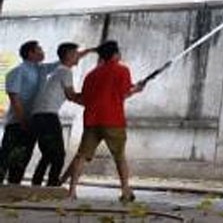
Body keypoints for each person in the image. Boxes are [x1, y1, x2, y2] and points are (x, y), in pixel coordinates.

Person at [63, 40, 144, 201]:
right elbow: (124, 93)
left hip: (92, 119)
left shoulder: (91, 75)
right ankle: (125, 190)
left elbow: (86, 97)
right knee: (119, 156)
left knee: (82, 156)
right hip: (113, 120)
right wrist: (136, 89)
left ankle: (72, 191)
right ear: (115, 54)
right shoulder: (122, 70)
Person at [30, 42, 94, 186]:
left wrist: (90, 50)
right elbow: (71, 96)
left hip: (38, 116)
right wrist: (93, 103)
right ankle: (52, 186)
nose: (78, 56)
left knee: (48, 154)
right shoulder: (65, 71)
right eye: (76, 54)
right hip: (47, 116)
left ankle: (36, 185)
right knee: (58, 155)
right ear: (69, 55)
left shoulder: (59, 70)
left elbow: (71, 96)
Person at [0, 41, 60, 184]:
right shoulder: (18, 71)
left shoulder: (41, 70)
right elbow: (14, 98)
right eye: (39, 49)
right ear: (30, 53)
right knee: (5, 157)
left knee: (23, 158)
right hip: (17, 122)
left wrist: (82, 52)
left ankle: (13, 188)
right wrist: (22, 121)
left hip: (33, 122)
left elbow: (61, 63)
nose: (42, 52)